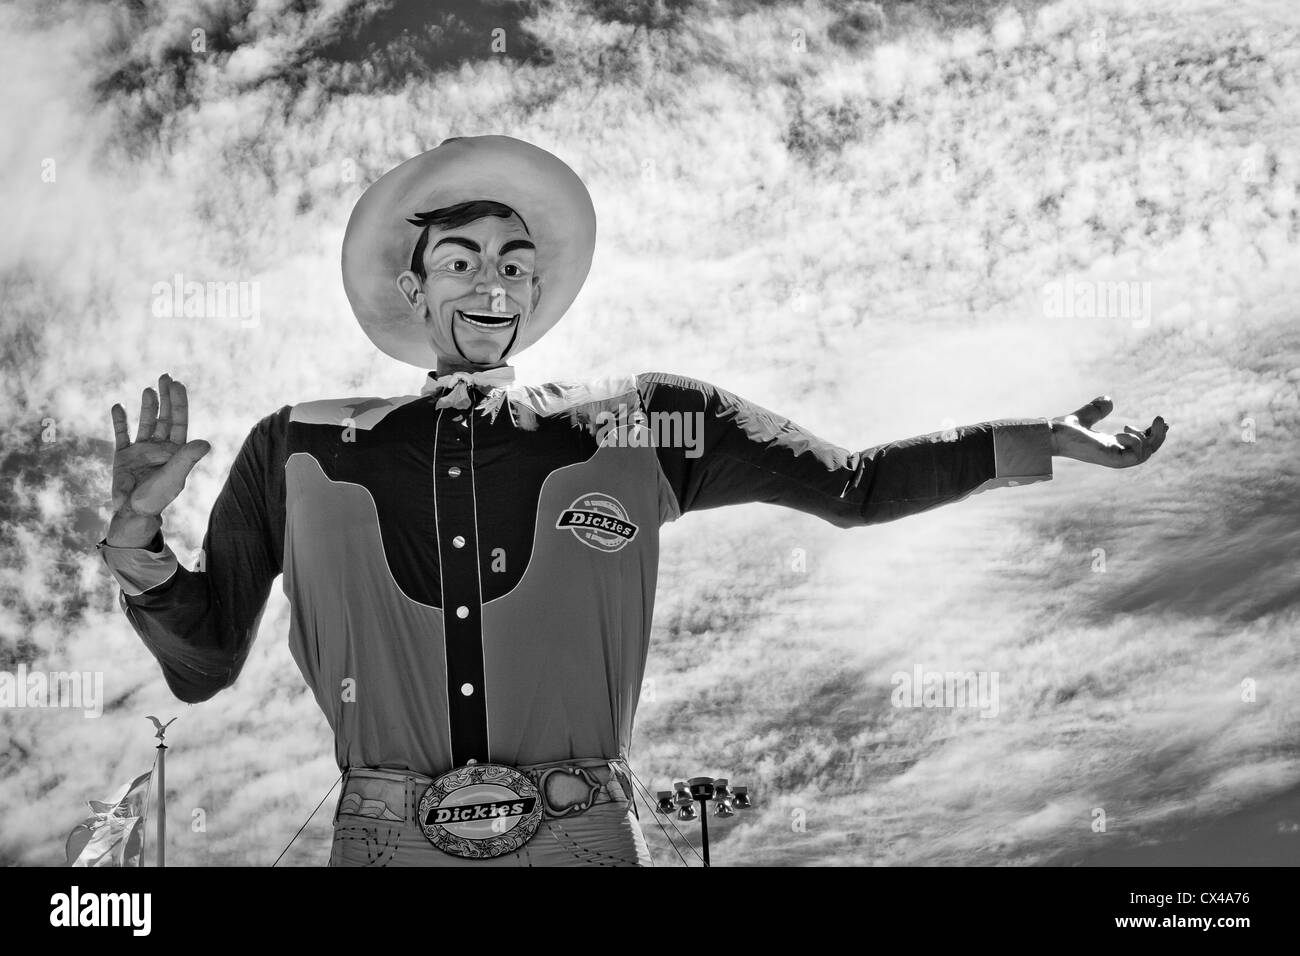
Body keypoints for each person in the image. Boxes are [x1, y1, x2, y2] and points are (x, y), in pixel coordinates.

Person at [97, 135, 1168, 866]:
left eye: (516, 266)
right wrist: (139, 539)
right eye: (463, 260)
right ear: (411, 287)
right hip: (380, 839)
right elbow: (204, 661)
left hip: (587, 832)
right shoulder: (298, 443)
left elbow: (851, 484)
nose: (495, 284)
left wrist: (1042, 438)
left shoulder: (640, 418)